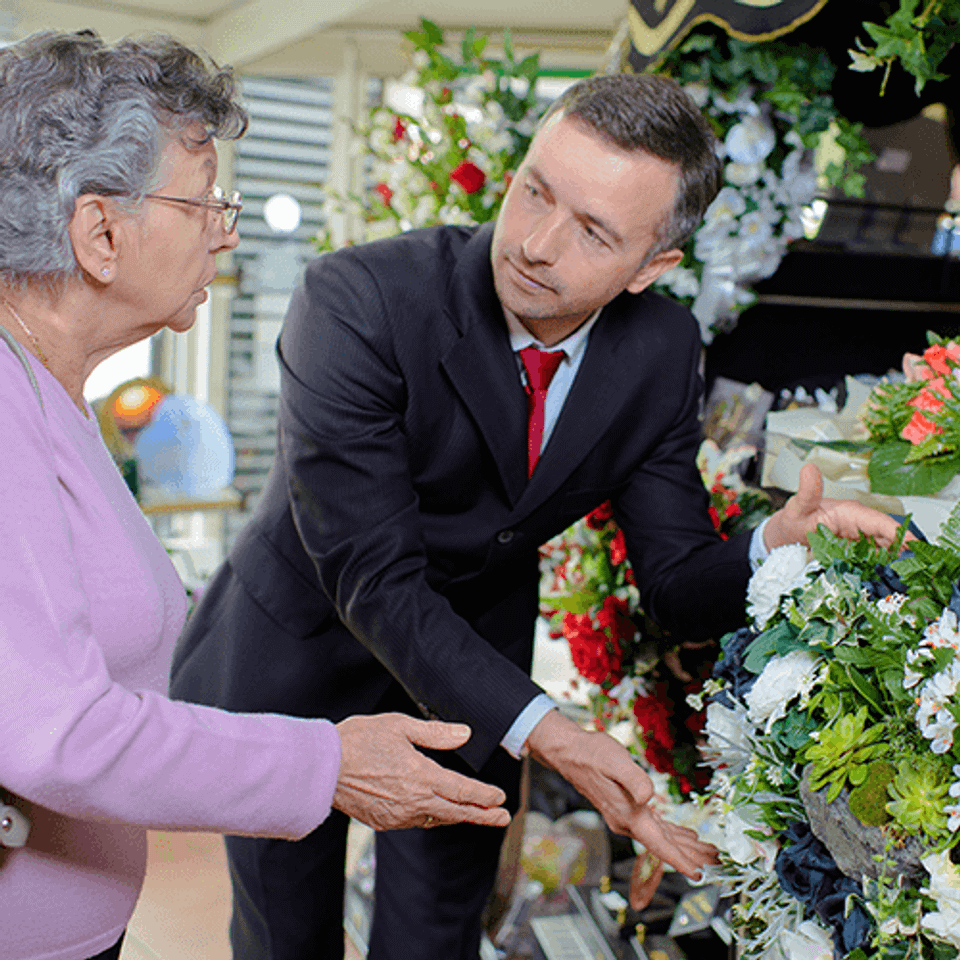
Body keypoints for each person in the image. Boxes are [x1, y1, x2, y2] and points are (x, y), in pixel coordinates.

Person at [171, 74, 903, 960]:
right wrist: (555, 736)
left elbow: (673, 584)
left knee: (439, 929)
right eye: (534, 192)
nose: (536, 245)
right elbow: (374, 576)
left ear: (652, 268)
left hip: (475, 656)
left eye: (593, 231)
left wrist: (772, 547)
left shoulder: (662, 350)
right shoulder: (358, 299)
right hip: (299, 648)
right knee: (288, 936)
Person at [0, 30, 511, 960]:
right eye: (202, 204)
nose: (226, 230)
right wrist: (325, 763)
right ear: (100, 234)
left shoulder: (51, 392)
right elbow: (61, 732)